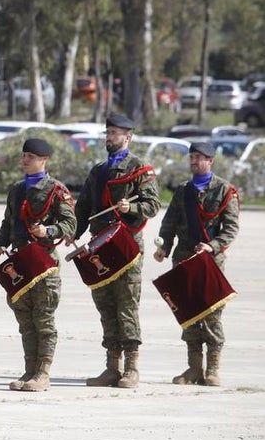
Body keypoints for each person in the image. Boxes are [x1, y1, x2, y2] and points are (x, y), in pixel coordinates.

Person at [74, 113, 160, 389]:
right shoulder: (98, 170)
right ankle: (112, 367)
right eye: (107, 132)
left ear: (128, 137)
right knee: (105, 304)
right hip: (99, 243)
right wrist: (71, 233)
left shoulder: (140, 169)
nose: (110, 137)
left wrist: (130, 208)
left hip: (126, 245)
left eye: (115, 133)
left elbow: (152, 206)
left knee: (126, 304)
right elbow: (83, 207)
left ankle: (132, 368)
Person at [0, 138, 76, 392]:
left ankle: (43, 372)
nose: (25, 160)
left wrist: (49, 230)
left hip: (43, 261)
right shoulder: (16, 189)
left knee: (43, 319)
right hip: (19, 261)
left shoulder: (57, 190)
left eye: (31, 157)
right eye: (24, 156)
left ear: (43, 160)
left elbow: (70, 224)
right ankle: (29, 370)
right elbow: (8, 222)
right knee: (25, 319)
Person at [154, 141, 240, 387]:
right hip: (183, 259)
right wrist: (164, 248)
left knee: (212, 313)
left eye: (199, 157)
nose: (194, 161)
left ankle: (212, 369)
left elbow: (231, 228)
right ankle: (194, 368)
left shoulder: (225, 190)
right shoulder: (183, 190)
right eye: (191, 157)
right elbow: (169, 224)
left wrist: (211, 246)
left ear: (210, 160)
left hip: (210, 262)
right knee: (188, 312)